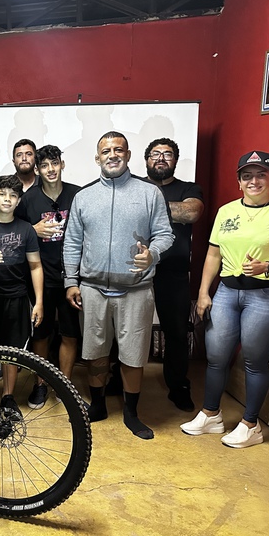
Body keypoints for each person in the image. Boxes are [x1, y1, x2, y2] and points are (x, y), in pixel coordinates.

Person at [180, 151, 269, 448]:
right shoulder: (226, 211)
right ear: (239, 181)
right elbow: (213, 254)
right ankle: (210, 415)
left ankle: (251, 425)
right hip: (227, 292)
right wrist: (203, 292)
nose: (254, 181)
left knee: (254, 361)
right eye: (247, 176)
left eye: (261, 175)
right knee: (216, 357)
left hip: (267, 295)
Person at [63, 131, 174, 440]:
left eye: (118, 150)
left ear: (128, 154)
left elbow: (165, 234)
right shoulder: (84, 197)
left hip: (136, 289)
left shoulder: (149, 193)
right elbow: (72, 243)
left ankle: (131, 412)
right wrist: (71, 281)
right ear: (97, 158)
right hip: (92, 289)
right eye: (106, 151)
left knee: (133, 355)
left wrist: (153, 254)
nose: (112, 155)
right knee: (95, 352)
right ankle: (98, 405)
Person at [16, 144, 82, 407]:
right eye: (44, 165)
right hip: (40, 278)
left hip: (71, 278)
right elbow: (15, 231)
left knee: (70, 334)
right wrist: (33, 229)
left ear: (62, 164)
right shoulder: (28, 199)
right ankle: (40, 384)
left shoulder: (77, 195)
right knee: (40, 334)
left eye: (54, 163)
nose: (51, 169)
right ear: (37, 170)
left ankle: (65, 387)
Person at [0, 174, 43, 416]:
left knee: (11, 351)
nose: (7, 199)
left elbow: (35, 266)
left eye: (13, 195)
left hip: (17, 297)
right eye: (2, 194)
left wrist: (39, 302)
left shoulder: (26, 229)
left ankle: (8, 397)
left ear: (19, 200)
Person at [144, 138, 204, 412]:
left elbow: (191, 212)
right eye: (155, 154)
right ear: (146, 159)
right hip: (136, 268)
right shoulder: (136, 185)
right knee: (123, 328)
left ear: (175, 160)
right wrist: (171, 211)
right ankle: (116, 380)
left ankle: (178, 386)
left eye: (167, 154)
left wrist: (144, 208)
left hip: (174, 271)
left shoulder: (189, 188)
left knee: (177, 332)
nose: (161, 158)